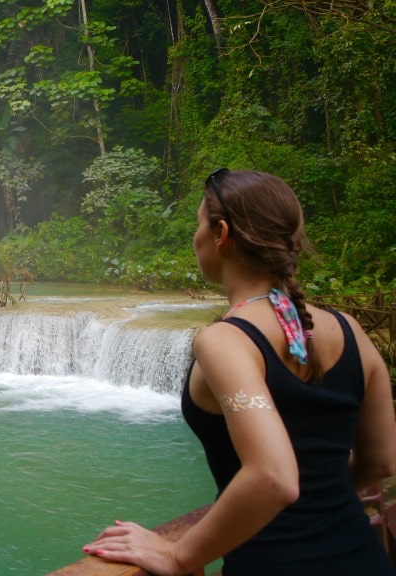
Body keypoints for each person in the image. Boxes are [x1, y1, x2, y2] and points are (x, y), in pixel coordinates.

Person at [83, 168, 396, 575]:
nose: (194, 237)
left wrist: (179, 555)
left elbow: (274, 476)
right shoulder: (350, 329)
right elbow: (383, 460)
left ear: (221, 234)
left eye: (198, 224)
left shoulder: (224, 340)